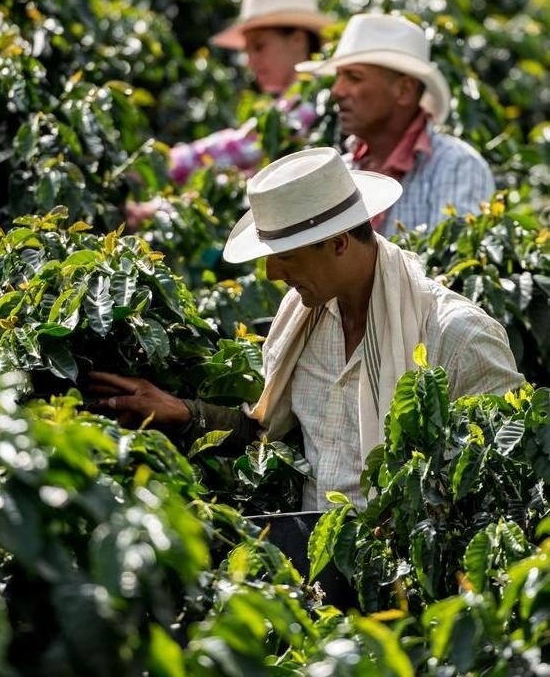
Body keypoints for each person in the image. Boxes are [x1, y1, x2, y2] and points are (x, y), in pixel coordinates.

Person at [89, 148, 524, 511]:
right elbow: (266, 431)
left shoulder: (458, 336)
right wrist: (183, 412)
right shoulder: (305, 318)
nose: (272, 272)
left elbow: (506, 481)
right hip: (316, 567)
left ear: (338, 244)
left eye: (287, 255)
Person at [126, 0, 332, 228]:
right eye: (247, 51)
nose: (249, 61)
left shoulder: (315, 97)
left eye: (259, 47)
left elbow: (245, 147)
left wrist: (159, 167)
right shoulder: (284, 103)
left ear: (297, 39)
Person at [295, 13, 496, 237]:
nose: (337, 91)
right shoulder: (343, 170)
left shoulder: (456, 167)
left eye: (354, 77)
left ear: (405, 90)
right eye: (339, 77)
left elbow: (451, 266)